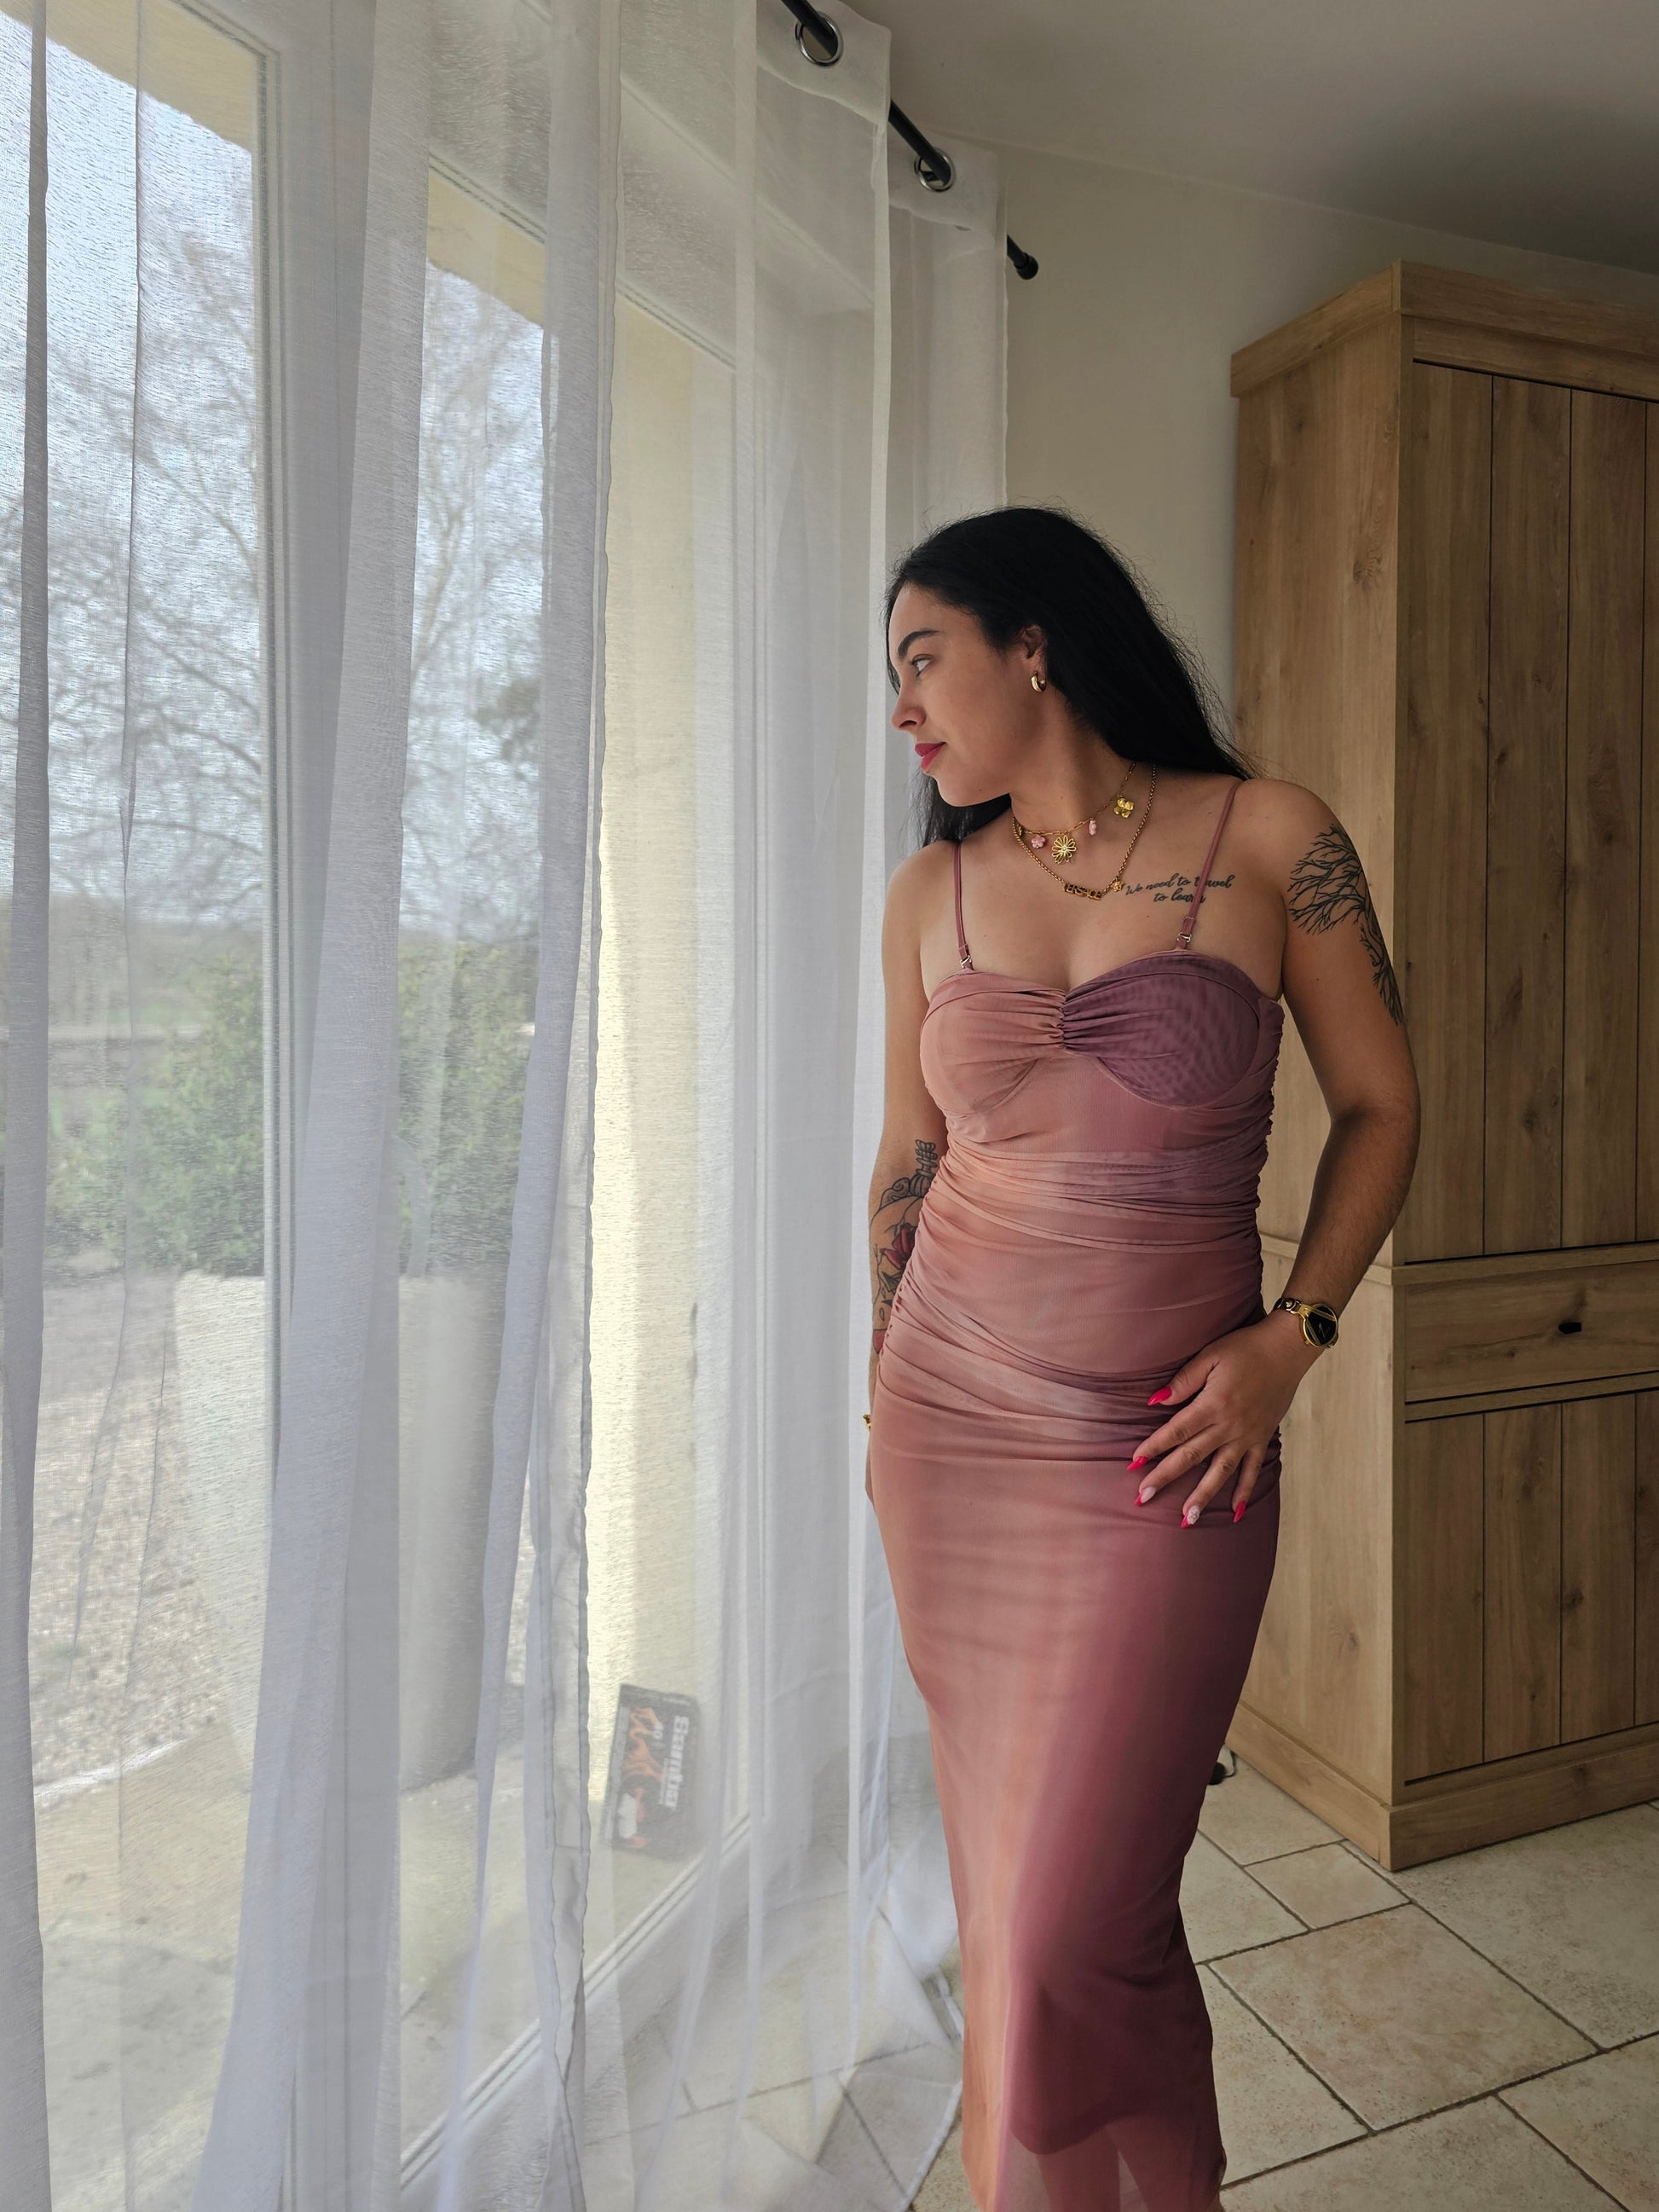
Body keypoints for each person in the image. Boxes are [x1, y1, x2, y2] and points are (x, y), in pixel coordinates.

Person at [864, 507, 1419, 2212]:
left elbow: (1382, 1105)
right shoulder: (929, 893)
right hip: (949, 1443)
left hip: (1167, 1451)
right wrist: (882, 1387)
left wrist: (1293, 1336)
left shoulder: (1269, 837)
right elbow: (907, 1164)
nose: (903, 708)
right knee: (1028, 1911)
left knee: (1066, 1929)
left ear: (1034, 643)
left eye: (922, 659)